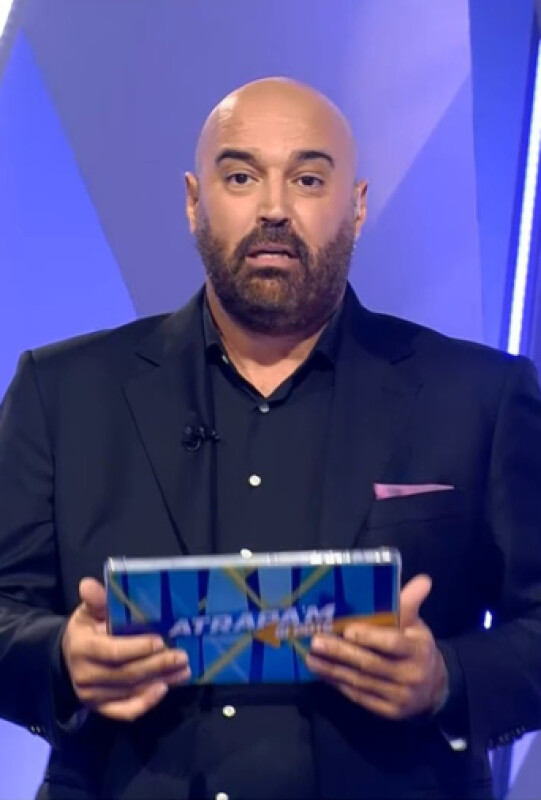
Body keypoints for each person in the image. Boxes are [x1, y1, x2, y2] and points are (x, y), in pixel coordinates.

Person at [1, 76, 541, 800]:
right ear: (194, 200)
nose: (274, 209)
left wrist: (447, 678)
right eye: (241, 177)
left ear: (356, 205)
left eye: (308, 179)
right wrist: (62, 658)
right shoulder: (63, 391)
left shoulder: (479, 396)